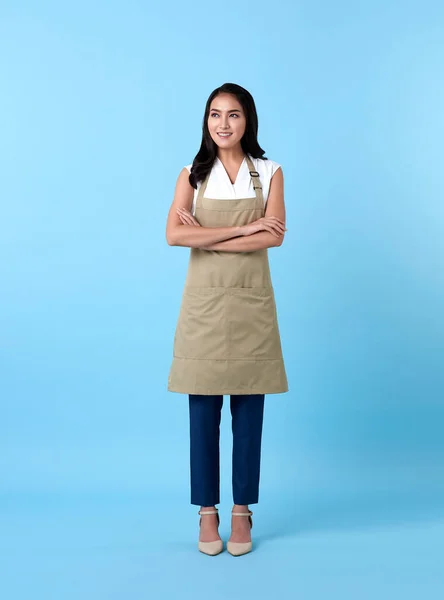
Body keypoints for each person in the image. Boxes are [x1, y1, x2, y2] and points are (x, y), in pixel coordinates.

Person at [165, 83, 289, 556]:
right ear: (206, 121)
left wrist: (208, 237)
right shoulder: (192, 174)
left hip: (251, 306)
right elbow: (174, 235)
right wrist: (243, 227)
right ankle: (206, 514)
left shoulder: (270, 172)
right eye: (214, 115)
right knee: (202, 416)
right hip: (203, 308)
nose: (222, 124)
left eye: (233, 115)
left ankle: (242, 513)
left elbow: (273, 237)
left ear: (247, 120)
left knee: (249, 417)